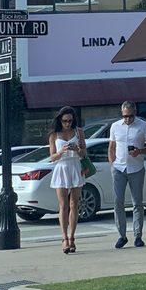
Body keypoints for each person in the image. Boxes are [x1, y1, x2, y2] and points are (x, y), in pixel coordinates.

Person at [108, 100, 146, 249]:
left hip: (136, 168)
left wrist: (140, 151)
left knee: (137, 203)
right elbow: (112, 146)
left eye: (130, 116)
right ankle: (121, 235)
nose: (127, 119)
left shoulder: (143, 126)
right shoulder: (115, 126)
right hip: (119, 168)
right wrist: (112, 164)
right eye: (125, 116)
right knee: (118, 202)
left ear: (135, 113)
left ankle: (138, 235)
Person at [48, 106, 86, 254]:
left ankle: (72, 237)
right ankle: (64, 238)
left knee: (74, 204)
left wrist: (77, 149)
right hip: (62, 167)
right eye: (65, 121)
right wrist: (61, 151)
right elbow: (52, 157)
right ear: (60, 120)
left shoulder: (78, 132)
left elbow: (84, 153)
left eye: (70, 121)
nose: (67, 124)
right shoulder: (54, 135)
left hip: (75, 166)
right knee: (63, 205)